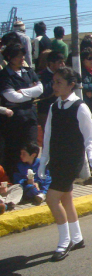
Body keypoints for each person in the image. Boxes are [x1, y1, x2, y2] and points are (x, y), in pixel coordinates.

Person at [39, 66, 92, 261]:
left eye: (59, 82)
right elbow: (47, 136)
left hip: (71, 160)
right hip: (56, 158)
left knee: (51, 199)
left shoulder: (80, 106)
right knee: (66, 199)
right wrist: (43, 161)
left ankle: (64, 242)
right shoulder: (54, 107)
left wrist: (91, 156)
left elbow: (90, 135)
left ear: (71, 85)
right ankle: (78, 237)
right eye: (53, 82)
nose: (54, 86)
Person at [0, 43, 43, 177]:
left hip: (30, 118)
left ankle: (33, 179)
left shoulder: (28, 71)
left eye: (23, 55)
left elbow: (40, 89)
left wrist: (23, 92)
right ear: (9, 57)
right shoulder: (4, 75)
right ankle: (16, 180)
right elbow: (12, 97)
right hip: (13, 120)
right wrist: (31, 93)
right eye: (18, 56)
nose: (22, 58)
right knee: (15, 151)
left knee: (31, 148)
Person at [37, 51, 65, 132]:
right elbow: (46, 92)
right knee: (48, 135)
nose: (63, 65)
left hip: (61, 109)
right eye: (60, 62)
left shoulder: (64, 74)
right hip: (46, 111)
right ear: (51, 64)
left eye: (63, 62)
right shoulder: (41, 76)